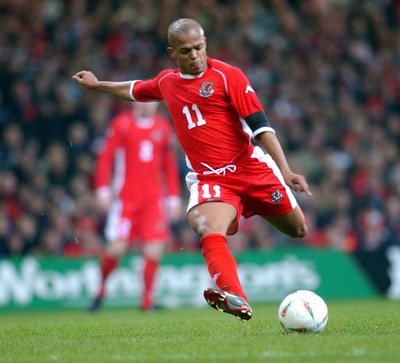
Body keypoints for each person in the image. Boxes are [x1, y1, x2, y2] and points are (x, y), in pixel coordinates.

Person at [73, 18, 311, 321]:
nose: (195, 55)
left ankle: (252, 211)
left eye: (199, 47)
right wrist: (98, 85)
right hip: (210, 178)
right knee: (208, 228)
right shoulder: (167, 82)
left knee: (298, 230)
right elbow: (134, 89)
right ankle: (236, 296)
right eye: (186, 51)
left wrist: (286, 171)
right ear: (172, 53)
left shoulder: (229, 77)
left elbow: (261, 126)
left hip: (251, 167)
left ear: (206, 42)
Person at [89, 101, 182, 312]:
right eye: (143, 100)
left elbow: (169, 164)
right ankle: (101, 291)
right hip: (126, 201)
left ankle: (147, 301)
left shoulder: (162, 127)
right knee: (116, 249)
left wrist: (173, 198)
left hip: (153, 201)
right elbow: (105, 158)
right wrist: (102, 188)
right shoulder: (121, 124)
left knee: (154, 249)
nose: (147, 105)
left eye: (151, 101)